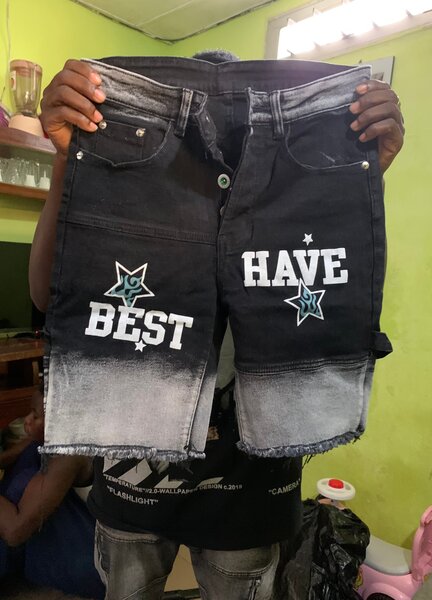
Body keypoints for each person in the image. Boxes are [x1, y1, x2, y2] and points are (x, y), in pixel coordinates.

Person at [29, 50, 405, 600]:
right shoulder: (139, 203)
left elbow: (339, 285)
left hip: (249, 488)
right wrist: (73, 162)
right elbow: (49, 296)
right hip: (135, 476)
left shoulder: (287, 208)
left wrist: (352, 175)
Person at [0, 384, 104, 598]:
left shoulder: (69, 453)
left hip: (78, 560)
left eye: (35, 415)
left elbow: (14, 531)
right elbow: (12, 455)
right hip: (58, 549)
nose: (27, 420)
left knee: (19, 488)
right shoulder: (47, 438)